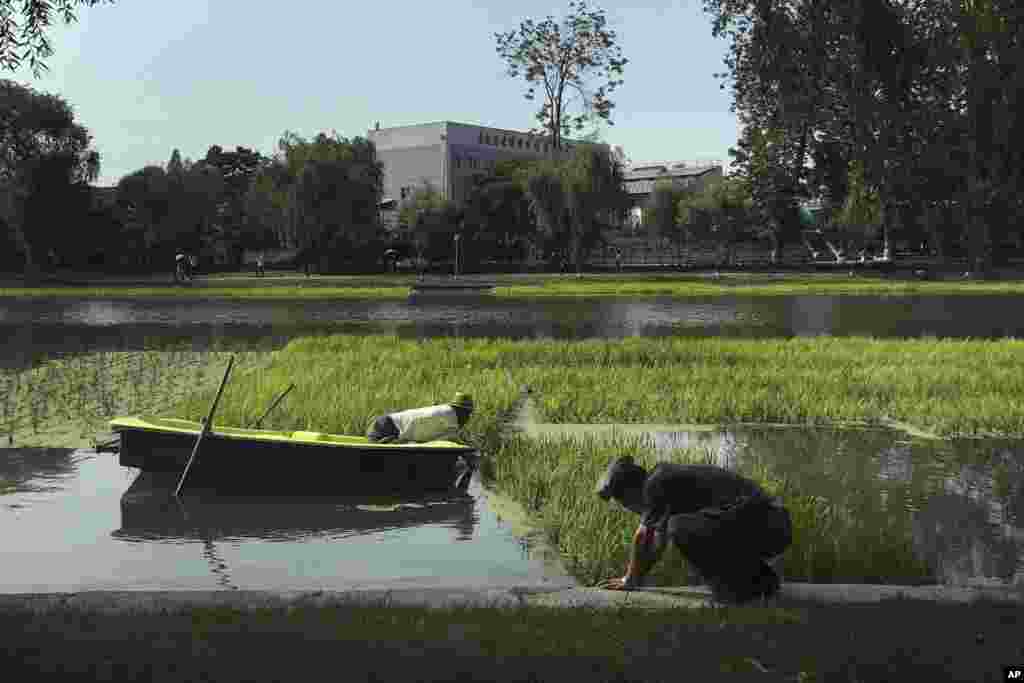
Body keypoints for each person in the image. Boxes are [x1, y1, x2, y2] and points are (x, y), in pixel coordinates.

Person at [594, 456, 792, 604]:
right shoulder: (664, 487)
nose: (632, 510)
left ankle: (737, 593)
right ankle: (762, 584)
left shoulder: (656, 484)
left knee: (680, 528)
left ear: (630, 494)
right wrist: (638, 578)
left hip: (767, 524)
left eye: (625, 504)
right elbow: (657, 544)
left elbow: (643, 536)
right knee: (681, 527)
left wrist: (629, 579)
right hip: (774, 524)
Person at [367, 392, 474, 444]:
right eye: (468, 413)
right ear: (461, 411)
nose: (468, 417)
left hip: (382, 424)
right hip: (385, 429)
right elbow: (446, 439)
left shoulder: (445, 412)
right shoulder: (450, 417)